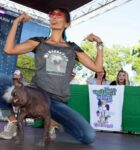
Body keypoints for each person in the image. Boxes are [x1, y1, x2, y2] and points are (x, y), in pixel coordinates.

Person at [3, 8, 104, 144]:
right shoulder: (39, 42)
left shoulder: (72, 48)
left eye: (59, 15)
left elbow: (97, 68)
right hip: (35, 94)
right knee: (1, 80)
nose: (54, 18)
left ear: (67, 23)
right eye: (52, 15)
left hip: (56, 101)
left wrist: (99, 44)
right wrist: (16, 22)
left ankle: (51, 122)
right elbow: (9, 49)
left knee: (88, 136)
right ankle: (13, 121)